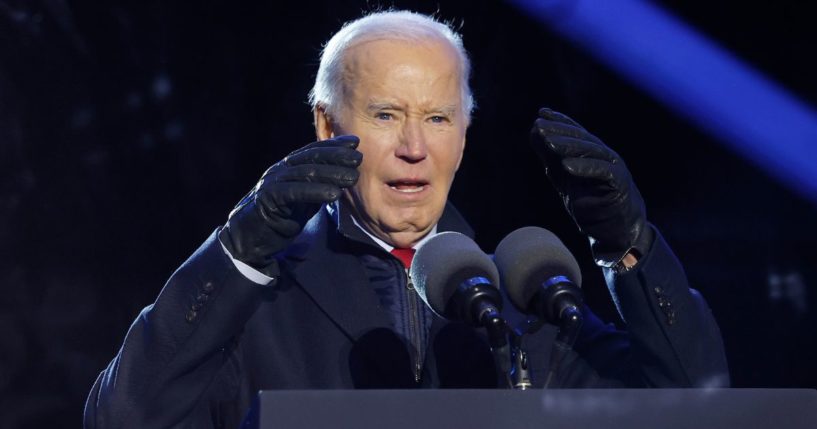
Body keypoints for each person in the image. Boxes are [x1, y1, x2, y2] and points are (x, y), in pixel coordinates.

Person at [84, 10, 729, 429]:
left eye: (439, 118)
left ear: (465, 135)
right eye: (387, 114)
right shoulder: (255, 304)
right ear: (327, 126)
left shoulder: (524, 301)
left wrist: (629, 249)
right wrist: (237, 252)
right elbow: (122, 421)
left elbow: (699, 408)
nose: (414, 146)